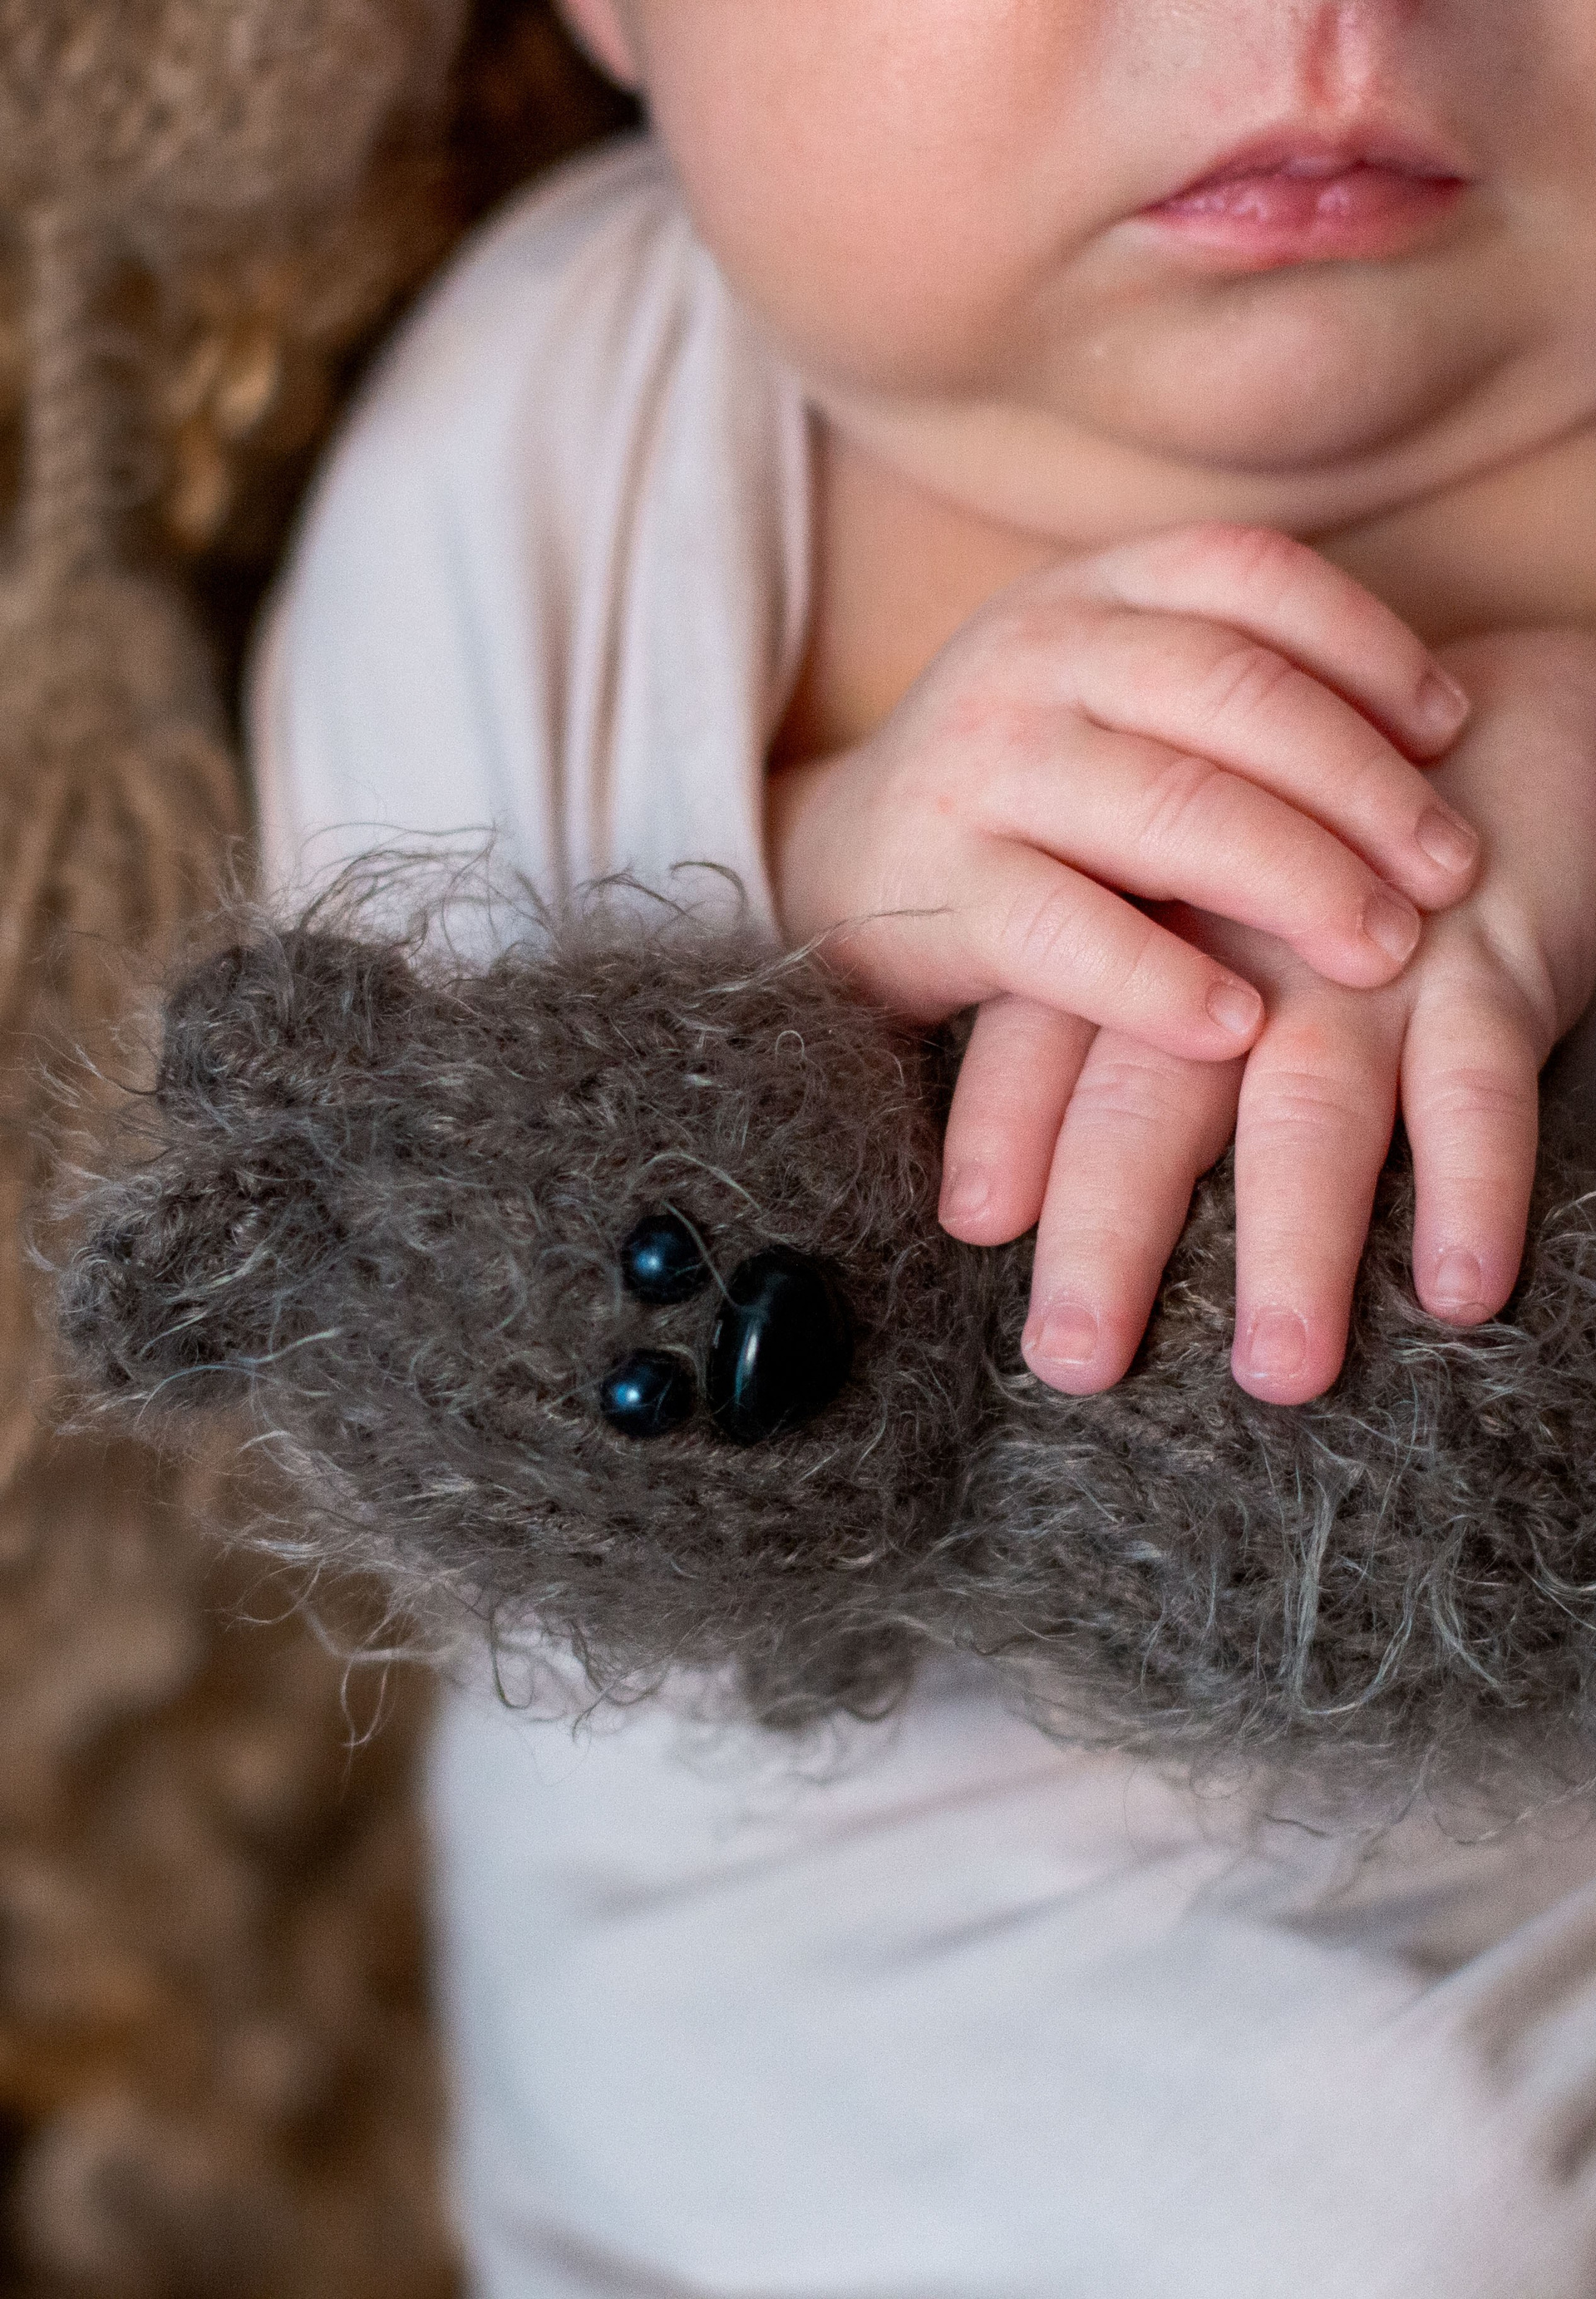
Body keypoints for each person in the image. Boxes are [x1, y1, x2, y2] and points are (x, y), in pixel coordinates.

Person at [254, 4, 1596, 2291]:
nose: (1316, 19)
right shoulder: (572, 439)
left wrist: (1556, 763)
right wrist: (830, 888)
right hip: (829, 2022)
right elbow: (394, 1214)